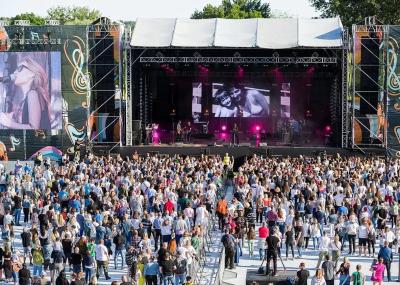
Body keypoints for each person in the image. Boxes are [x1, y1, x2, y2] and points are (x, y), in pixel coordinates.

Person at [0, 57, 52, 129]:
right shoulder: (29, 96)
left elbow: (34, 129)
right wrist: (13, 120)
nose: (15, 72)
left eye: (20, 68)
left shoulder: (33, 94)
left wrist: (9, 123)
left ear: (32, 73)